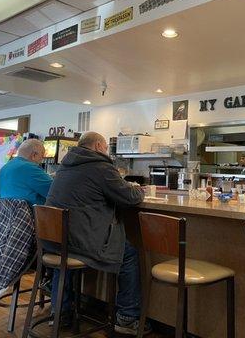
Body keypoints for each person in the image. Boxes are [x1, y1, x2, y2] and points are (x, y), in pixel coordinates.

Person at [45, 132, 150, 336]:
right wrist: (139, 190)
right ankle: (127, 318)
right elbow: (128, 197)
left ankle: (60, 311)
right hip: (80, 239)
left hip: (55, 240)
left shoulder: (64, 166)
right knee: (129, 254)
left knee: (64, 252)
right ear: (99, 146)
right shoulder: (100, 166)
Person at [0, 138, 53, 302]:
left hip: (7, 235)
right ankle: (53, 287)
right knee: (60, 244)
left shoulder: (5, 169)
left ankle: (52, 285)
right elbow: (56, 192)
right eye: (41, 156)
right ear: (34, 155)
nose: (41, 160)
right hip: (29, 234)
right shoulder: (30, 169)